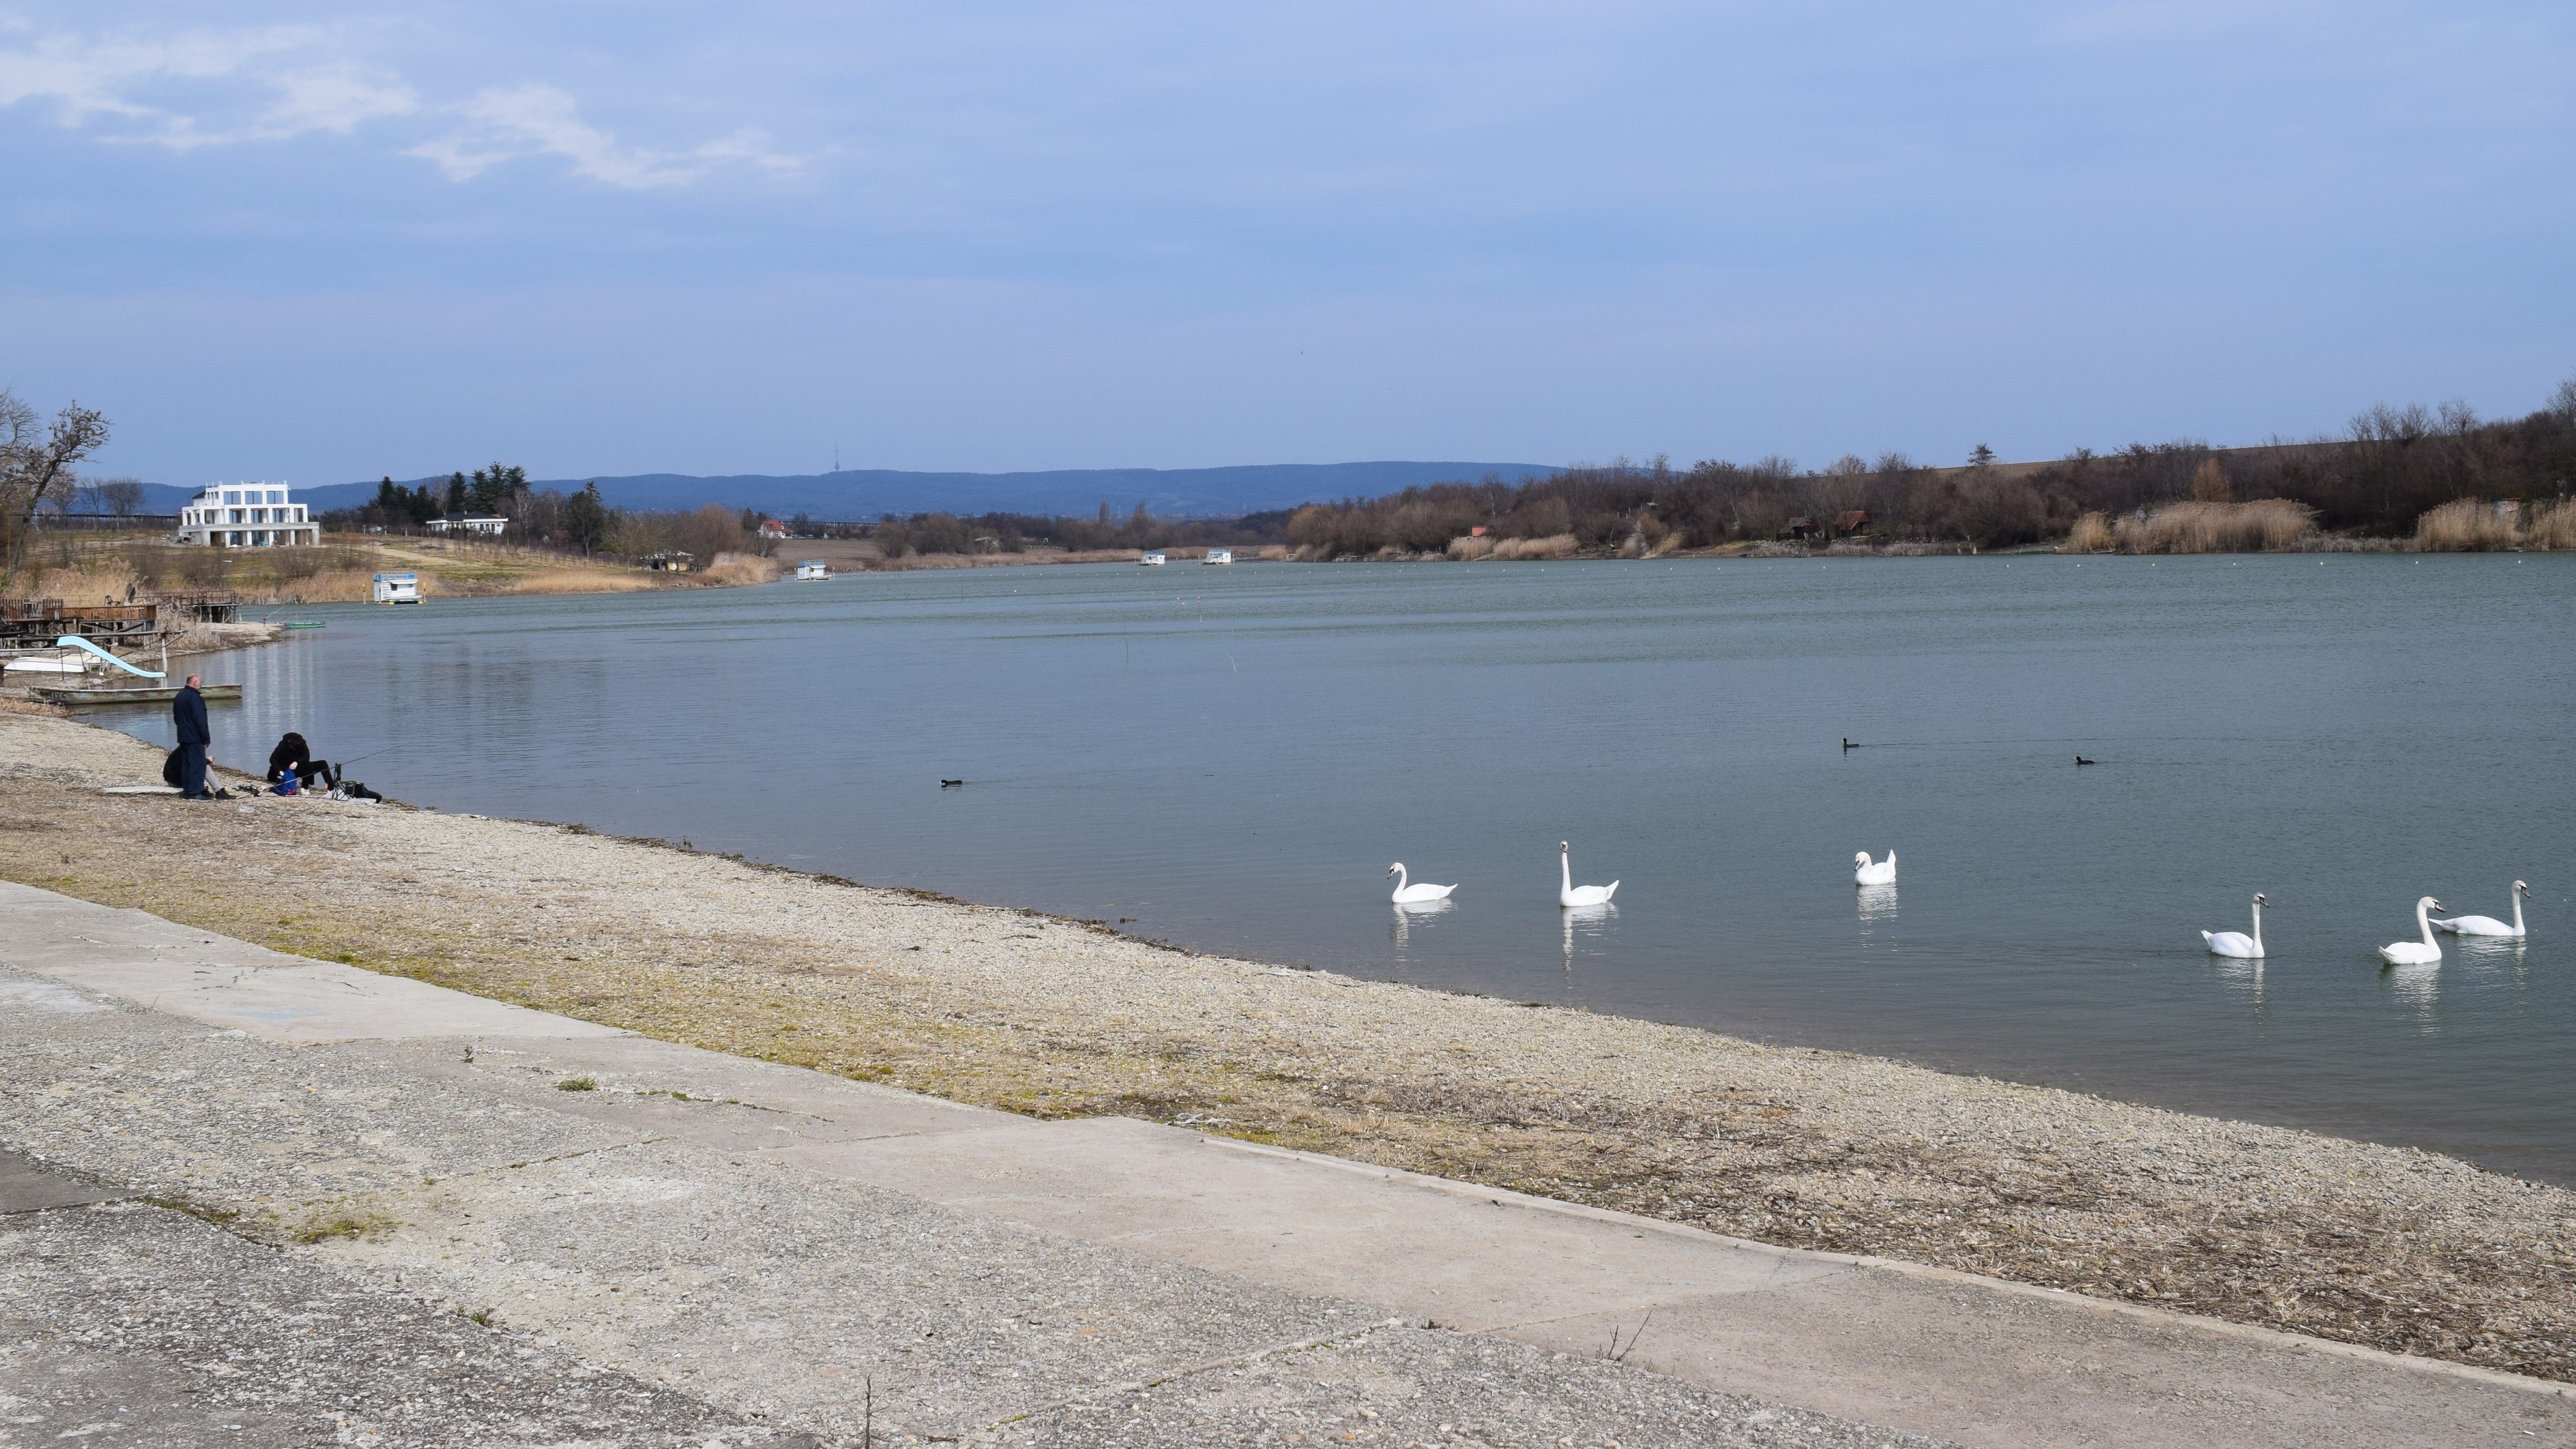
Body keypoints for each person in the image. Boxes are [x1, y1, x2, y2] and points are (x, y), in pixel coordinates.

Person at [172, 674, 212, 799]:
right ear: (195, 683)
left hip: (183, 735)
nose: (201, 685)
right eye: (201, 682)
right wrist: (205, 737)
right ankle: (195, 792)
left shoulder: (179, 696)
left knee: (187, 765)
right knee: (198, 765)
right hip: (194, 736)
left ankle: (188, 791)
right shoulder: (195, 698)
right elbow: (200, 719)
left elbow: (176, 717)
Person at [265, 732, 336, 792]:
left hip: (297, 767)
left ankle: (331, 788)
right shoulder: (282, 745)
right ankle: (305, 788)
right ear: (289, 742)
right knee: (308, 765)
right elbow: (273, 759)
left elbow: (306, 756)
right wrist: (280, 771)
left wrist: (297, 762)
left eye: (295, 748)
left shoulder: (302, 744)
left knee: (322, 764)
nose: (293, 749)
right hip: (284, 770)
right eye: (292, 747)